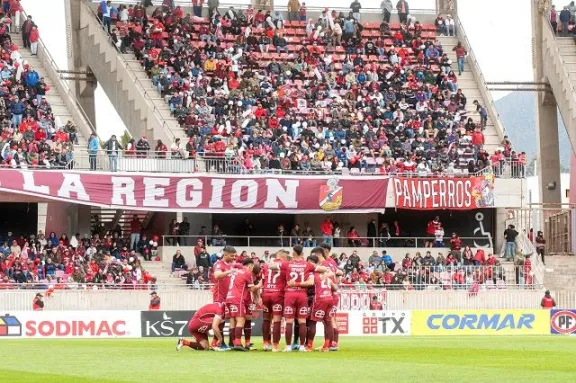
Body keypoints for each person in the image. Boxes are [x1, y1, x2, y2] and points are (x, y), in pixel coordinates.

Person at [299, 252, 337, 352]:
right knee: (328, 322)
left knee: (312, 321)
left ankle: (309, 346)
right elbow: (335, 287)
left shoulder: (312, 273)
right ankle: (326, 346)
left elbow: (310, 283)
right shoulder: (326, 272)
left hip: (319, 299)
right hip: (329, 298)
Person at [226, 258, 261, 351]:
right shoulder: (247, 273)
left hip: (230, 298)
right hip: (239, 299)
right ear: (250, 265)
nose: (252, 269)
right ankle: (237, 343)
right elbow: (251, 289)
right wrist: (260, 285)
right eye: (252, 266)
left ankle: (234, 342)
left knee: (233, 321)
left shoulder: (236, 272)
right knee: (241, 320)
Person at [261, 249, 288, 352]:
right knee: (277, 319)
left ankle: (265, 343)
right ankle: (275, 345)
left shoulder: (267, 265)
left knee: (266, 319)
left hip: (266, 293)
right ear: (284, 257)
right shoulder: (285, 265)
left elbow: (263, 280)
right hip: (278, 294)